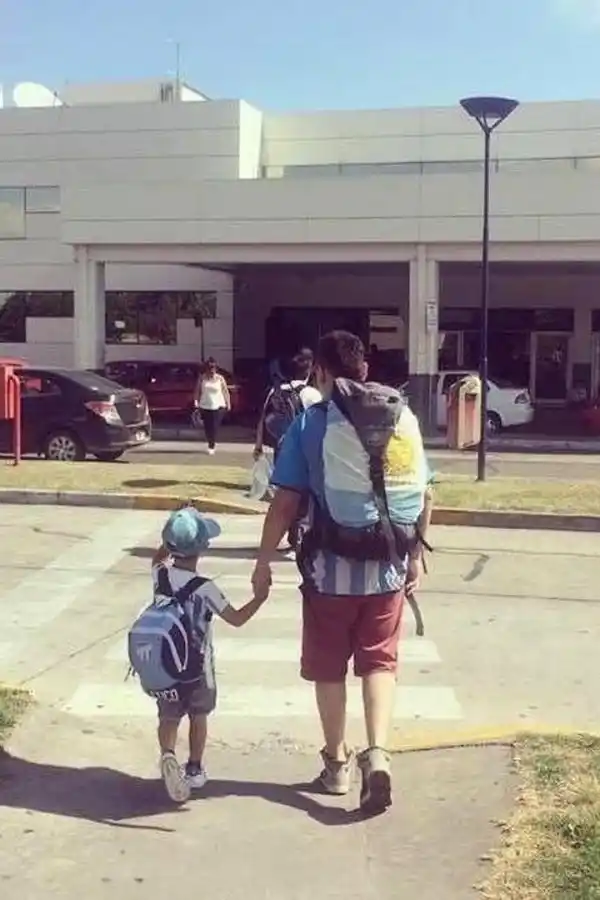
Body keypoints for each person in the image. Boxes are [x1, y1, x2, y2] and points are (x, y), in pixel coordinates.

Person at [251, 331, 433, 816]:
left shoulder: (311, 423)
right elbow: (426, 491)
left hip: (329, 572)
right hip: (389, 569)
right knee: (379, 662)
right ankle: (379, 755)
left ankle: (336, 764)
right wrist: (413, 555)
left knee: (330, 667)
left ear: (323, 373)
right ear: (365, 370)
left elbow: (286, 502)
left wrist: (263, 561)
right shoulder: (403, 415)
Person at [144, 507, 268, 804]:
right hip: (198, 669)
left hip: (165, 667)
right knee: (199, 716)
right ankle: (195, 768)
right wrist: (260, 598)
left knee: (169, 716)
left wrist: (169, 537)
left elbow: (158, 557)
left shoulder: (160, 575)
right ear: (202, 548)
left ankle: (167, 756)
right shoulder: (205, 588)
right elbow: (236, 619)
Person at [253, 348, 321, 551]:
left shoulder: (275, 391)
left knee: (286, 492)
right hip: (306, 452)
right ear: (308, 372)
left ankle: (293, 537)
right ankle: (299, 538)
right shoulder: (312, 394)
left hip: (281, 449)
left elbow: (262, 419)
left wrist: (258, 446)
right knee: (306, 495)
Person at [193, 358, 230, 455]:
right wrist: (196, 401)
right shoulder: (202, 378)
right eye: (210, 368)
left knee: (214, 426)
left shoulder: (220, 378)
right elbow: (197, 391)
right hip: (205, 405)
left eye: (213, 367)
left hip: (218, 406)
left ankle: (212, 445)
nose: (212, 370)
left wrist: (228, 403)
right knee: (207, 427)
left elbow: (225, 391)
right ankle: (210, 442)